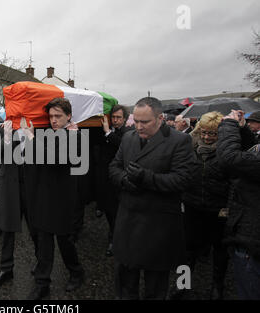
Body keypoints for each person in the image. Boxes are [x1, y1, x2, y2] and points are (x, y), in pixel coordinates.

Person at [108, 97, 193, 300]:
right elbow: (113, 167)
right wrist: (125, 180)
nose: (138, 126)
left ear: (160, 118)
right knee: (126, 284)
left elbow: (182, 180)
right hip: (128, 221)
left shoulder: (179, 141)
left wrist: (147, 178)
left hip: (158, 226)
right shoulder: (128, 138)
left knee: (155, 287)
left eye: (144, 122)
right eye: (136, 121)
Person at [26, 97, 85, 300]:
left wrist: (32, 140)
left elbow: (57, 161)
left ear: (68, 116)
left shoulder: (76, 137)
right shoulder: (49, 135)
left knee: (65, 242)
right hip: (45, 196)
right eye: (50, 116)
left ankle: (76, 272)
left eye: (58, 116)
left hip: (63, 199)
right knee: (44, 243)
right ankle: (42, 283)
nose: (53, 120)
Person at [177, 111, 230, 299]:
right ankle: (183, 285)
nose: (207, 137)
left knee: (220, 250)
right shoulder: (190, 148)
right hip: (192, 205)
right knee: (187, 248)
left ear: (220, 134)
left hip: (219, 210)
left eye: (212, 134)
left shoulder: (228, 152)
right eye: (204, 133)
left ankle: (217, 287)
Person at [0, 119, 39, 289]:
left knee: (35, 227)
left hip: (30, 183)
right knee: (7, 228)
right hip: (10, 184)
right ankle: (6, 269)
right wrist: (7, 138)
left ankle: (42, 262)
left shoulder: (37, 127)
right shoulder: (3, 130)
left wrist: (30, 134)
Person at [217, 109, 260, 300]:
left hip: (253, 242)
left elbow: (230, 160)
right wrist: (242, 130)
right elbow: (252, 157)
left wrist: (228, 125)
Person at [98, 105, 131, 257]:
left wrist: (108, 132)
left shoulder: (128, 133)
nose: (115, 120)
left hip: (119, 181)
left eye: (118, 117)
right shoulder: (109, 131)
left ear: (124, 119)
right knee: (110, 212)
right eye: (113, 117)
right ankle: (114, 237)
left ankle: (116, 241)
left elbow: (121, 145)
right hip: (106, 179)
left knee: (118, 213)